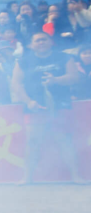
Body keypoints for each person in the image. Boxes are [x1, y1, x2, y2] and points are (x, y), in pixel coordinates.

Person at [11, 32, 82, 183]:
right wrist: (28, 101)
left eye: (44, 39)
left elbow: (74, 77)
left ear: (51, 42)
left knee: (64, 139)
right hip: (34, 106)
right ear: (31, 45)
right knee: (33, 141)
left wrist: (56, 80)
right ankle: (27, 177)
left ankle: (76, 176)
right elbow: (16, 84)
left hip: (60, 104)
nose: (41, 42)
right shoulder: (23, 61)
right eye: (37, 40)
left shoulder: (64, 57)